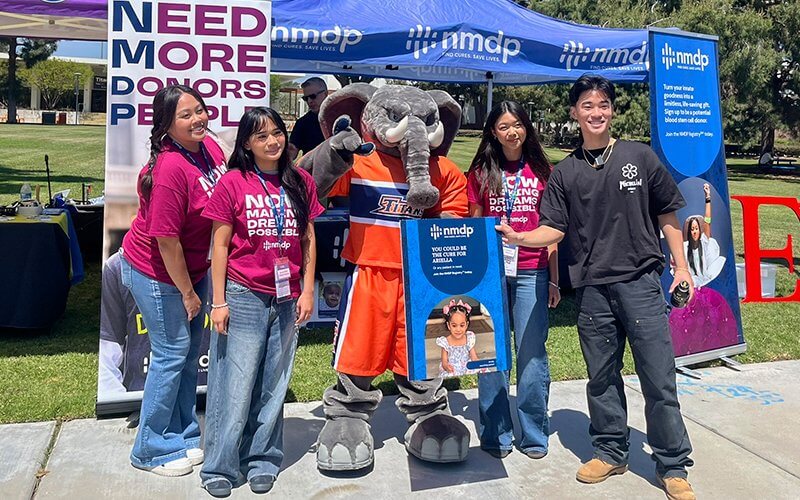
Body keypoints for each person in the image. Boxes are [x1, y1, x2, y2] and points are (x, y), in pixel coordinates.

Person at [496, 74, 697, 500]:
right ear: (575, 113)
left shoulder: (639, 157)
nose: (596, 112)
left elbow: (667, 215)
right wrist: (519, 238)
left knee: (658, 378)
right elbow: (551, 229)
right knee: (601, 377)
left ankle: (673, 464)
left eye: (603, 104)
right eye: (587, 106)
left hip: (640, 283)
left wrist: (681, 267)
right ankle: (610, 451)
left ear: (611, 110)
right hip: (592, 290)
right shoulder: (565, 172)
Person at [199, 107, 324, 497]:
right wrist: (218, 301)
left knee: (274, 383)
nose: (272, 142)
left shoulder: (300, 181)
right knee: (233, 385)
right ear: (247, 144)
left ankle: (263, 459)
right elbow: (219, 245)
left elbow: (307, 238)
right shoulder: (234, 183)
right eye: (261, 136)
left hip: (287, 298)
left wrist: (306, 290)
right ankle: (220, 465)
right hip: (243, 293)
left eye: (277, 133)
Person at [119, 84, 226, 476]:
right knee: (171, 352)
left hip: (193, 268)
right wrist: (187, 293)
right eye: (186, 115)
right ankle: (150, 447)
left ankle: (181, 431)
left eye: (199, 109)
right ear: (166, 125)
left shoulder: (209, 150)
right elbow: (166, 241)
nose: (198, 118)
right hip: (157, 272)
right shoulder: (169, 169)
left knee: (187, 350)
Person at [467, 100, 560, 460]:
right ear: (493, 131)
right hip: (490, 276)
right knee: (490, 354)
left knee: (531, 353)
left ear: (527, 127)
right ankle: (496, 433)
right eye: (504, 126)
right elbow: (472, 228)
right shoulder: (479, 172)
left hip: (533, 271)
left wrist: (553, 280)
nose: (512, 132)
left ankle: (535, 433)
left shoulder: (542, 170)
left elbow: (553, 229)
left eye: (517, 124)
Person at [680, 183, 725, 288]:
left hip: (706, 280)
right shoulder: (685, 247)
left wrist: (707, 197)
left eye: (696, 229)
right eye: (692, 229)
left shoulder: (704, 241)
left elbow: (707, 220)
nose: (694, 232)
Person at [288, 77, 328, 161]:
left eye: (313, 96)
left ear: (325, 94)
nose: (309, 101)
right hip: (312, 172)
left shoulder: (340, 118)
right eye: (306, 98)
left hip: (342, 170)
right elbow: (292, 151)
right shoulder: (302, 123)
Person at [436, 299, 478, 377]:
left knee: (477, 370)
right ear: (449, 325)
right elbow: (444, 361)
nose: (458, 330)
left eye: (462, 325)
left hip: (466, 367)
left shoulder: (469, 339)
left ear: (466, 325)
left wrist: (477, 365)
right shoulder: (445, 342)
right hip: (453, 368)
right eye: (454, 326)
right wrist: (446, 367)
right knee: (448, 375)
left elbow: (474, 357)